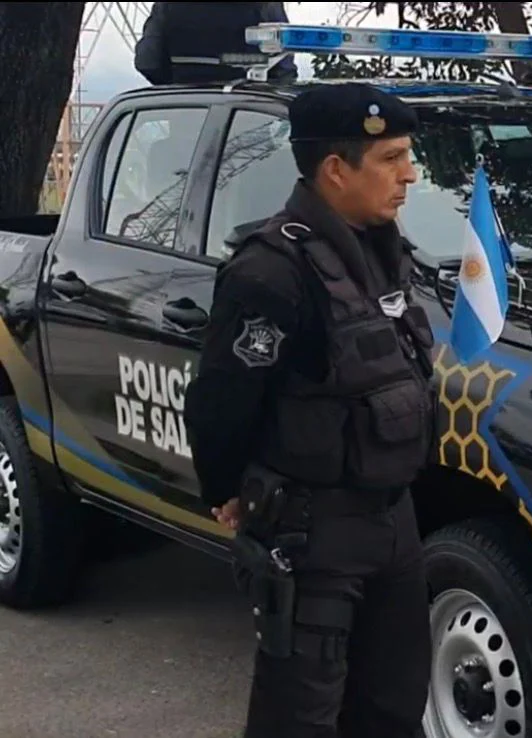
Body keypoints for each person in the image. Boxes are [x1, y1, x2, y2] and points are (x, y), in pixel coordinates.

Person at [183, 82, 436, 737]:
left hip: (393, 525)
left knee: (391, 707)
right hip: (311, 529)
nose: (410, 174)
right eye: (392, 159)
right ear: (335, 170)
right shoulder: (271, 272)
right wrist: (226, 488)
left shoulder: (387, 251)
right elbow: (221, 399)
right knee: (299, 716)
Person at [134, 2, 297, 86]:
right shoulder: (264, 5)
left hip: (184, 111)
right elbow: (284, 66)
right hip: (250, 110)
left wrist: (178, 87)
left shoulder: (168, 6)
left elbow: (148, 62)